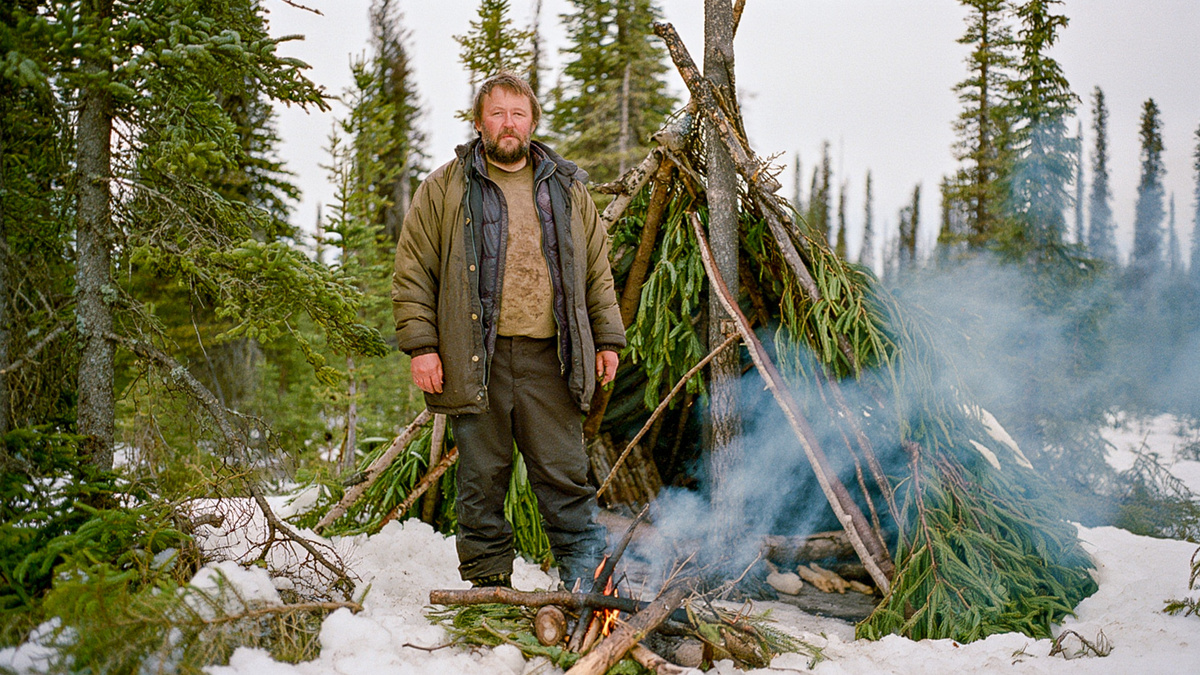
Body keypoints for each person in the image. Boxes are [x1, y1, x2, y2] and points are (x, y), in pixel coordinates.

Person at [391, 72, 625, 590]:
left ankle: (586, 583)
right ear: (479, 122)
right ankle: (489, 586)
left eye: (518, 113)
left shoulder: (567, 188)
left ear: (532, 121)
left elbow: (596, 271)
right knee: (482, 478)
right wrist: (422, 346)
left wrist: (607, 339)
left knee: (565, 474)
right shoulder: (445, 187)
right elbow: (413, 270)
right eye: (497, 113)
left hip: (551, 357)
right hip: (478, 355)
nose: (508, 123)